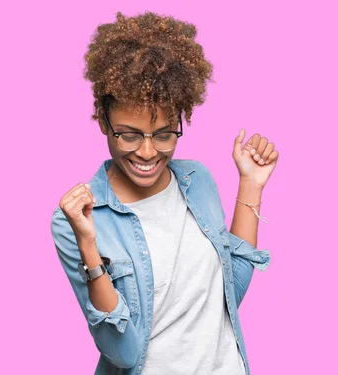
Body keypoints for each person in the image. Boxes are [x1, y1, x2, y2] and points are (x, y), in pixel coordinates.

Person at [50, 12, 278, 375]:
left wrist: (251, 184)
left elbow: (228, 293)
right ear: (103, 121)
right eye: (129, 134)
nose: (146, 152)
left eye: (163, 134)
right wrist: (89, 247)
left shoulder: (197, 180)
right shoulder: (76, 219)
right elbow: (121, 353)